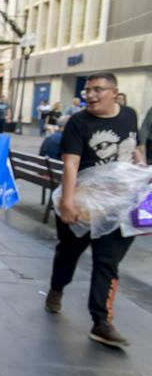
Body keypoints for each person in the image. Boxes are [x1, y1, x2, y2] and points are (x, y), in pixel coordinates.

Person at [44, 72, 147, 348]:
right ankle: (56, 288)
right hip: (84, 201)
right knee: (69, 252)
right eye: (88, 90)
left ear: (114, 92)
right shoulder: (78, 122)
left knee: (107, 261)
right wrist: (67, 202)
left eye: (97, 90)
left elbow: (134, 147)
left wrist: (141, 168)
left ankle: (102, 322)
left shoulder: (129, 115)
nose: (90, 95)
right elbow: (70, 164)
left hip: (120, 204)